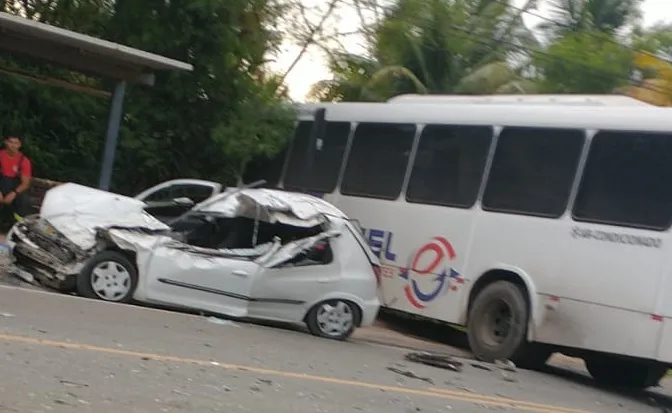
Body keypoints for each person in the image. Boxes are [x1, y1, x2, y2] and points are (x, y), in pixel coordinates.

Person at [0, 136, 32, 228]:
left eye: (16, 143)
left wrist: (14, 193)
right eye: (11, 142)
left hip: (15, 189)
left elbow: (25, 183)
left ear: (19, 145)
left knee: (24, 200)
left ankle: (18, 226)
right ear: (6, 142)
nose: (13, 145)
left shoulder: (24, 161)